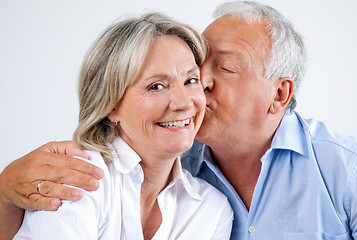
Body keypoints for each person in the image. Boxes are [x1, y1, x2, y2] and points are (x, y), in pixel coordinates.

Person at [1, 1, 357, 239]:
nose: (197, 89)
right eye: (198, 68)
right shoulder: (93, 173)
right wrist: (5, 195)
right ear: (111, 101)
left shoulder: (345, 171)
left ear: (279, 95)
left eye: (228, 67)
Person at [8, 12, 234, 240]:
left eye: (191, 81)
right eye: (156, 86)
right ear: (111, 105)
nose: (184, 103)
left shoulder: (212, 210)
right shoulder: (77, 177)